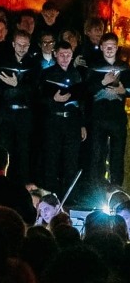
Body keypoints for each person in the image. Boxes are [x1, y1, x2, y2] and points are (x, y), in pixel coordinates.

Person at [0, 29, 38, 182]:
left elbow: (36, 90)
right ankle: (3, 185)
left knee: (24, 152)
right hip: (7, 114)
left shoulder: (34, 64)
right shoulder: (3, 62)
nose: (22, 48)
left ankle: (23, 185)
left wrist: (17, 85)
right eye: (19, 44)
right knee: (5, 151)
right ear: (13, 44)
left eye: (25, 45)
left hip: (24, 114)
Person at [38, 40, 86, 196]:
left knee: (71, 161)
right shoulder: (46, 73)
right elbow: (38, 98)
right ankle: (50, 196)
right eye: (62, 55)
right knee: (51, 160)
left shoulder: (77, 74)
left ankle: (69, 197)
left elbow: (82, 102)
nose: (65, 58)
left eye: (68, 55)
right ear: (55, 55)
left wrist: (82, 125)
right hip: (53, 121)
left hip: (72, 121)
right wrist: (53, 99)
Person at [86, 32, 130, 188]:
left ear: (117, 48)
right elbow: (86, 90)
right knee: (97, 155)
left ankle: (116, 189)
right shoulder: (94, 67)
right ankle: (97, 189)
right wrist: (102, 82)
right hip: (98, 119)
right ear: (101, 47)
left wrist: (124, 91)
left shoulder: (124, 67)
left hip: (117, 118)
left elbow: (129, 88)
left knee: (117, 156)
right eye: (107, 46)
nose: (110, 49)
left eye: (112, 46)